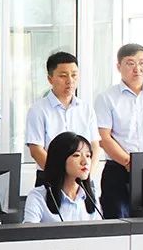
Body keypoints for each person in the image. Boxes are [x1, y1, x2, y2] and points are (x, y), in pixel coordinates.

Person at [95, 43, 143, 218]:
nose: (137, 68)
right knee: (117, 222)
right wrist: (130, 163)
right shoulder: (106, 98)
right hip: (117, 170)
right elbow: (104, 138)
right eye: (130, 63)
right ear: (118, 66)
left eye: (142, 63)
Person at [26, 52, 101, 186]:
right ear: (50, 79)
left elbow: (94, 146)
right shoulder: (38, 109)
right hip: (50, 178)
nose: (70, 81)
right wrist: (61, 177)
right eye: (63, 76)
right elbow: (36, 150)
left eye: (74, 75)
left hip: (82, 179)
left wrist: (86, 175)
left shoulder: (86, 109)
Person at [23, 132, 101, 223]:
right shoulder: (38, 197)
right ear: (60, 159)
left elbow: (100, 230)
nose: (85, 162)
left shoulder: (92, 196)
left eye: (88, 156)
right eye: (76, 155)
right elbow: (30, 230)